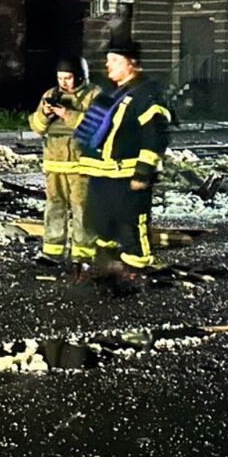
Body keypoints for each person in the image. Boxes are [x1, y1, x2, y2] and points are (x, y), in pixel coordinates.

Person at [72, 39, 171, 284]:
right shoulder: (110, 94)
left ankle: (136, 269)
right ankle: (108, 267)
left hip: (127, 176)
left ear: (132, 64)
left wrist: (143, 173)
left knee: (131, 224)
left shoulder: (145, 94)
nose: (109, 65)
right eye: (108, 61)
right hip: (101, 175)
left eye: (115, 60)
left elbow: (155, 135)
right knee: (100, 222)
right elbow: (89, 132)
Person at [26, 57, 99, 267]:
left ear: (80, 76)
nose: (63, 83)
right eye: (60, 78)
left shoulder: (94, 95)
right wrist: (45, 113)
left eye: (68, 78)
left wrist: (67, 114)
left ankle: (83, 255)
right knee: (54, 208)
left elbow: (99, 126)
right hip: (54, 164)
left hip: (81, 164)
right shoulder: (51, 94)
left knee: (82, 210)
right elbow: (37, 127)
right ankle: (52, 252)